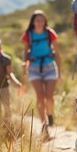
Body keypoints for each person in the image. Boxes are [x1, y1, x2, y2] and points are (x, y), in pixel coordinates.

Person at [21, 10, 61, 139]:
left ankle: (50, 114)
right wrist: (24, 62)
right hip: (34, 68)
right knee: (40, 97)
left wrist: (59, 73)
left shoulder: (50, 33)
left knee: (49, 97)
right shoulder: (28, 34)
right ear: (33, 22)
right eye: (37, 20)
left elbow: (58, 53)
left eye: (42, 20)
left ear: (45, 22)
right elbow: (26, 51)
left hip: (50, 67)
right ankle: (44, 126)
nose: (39, 23)